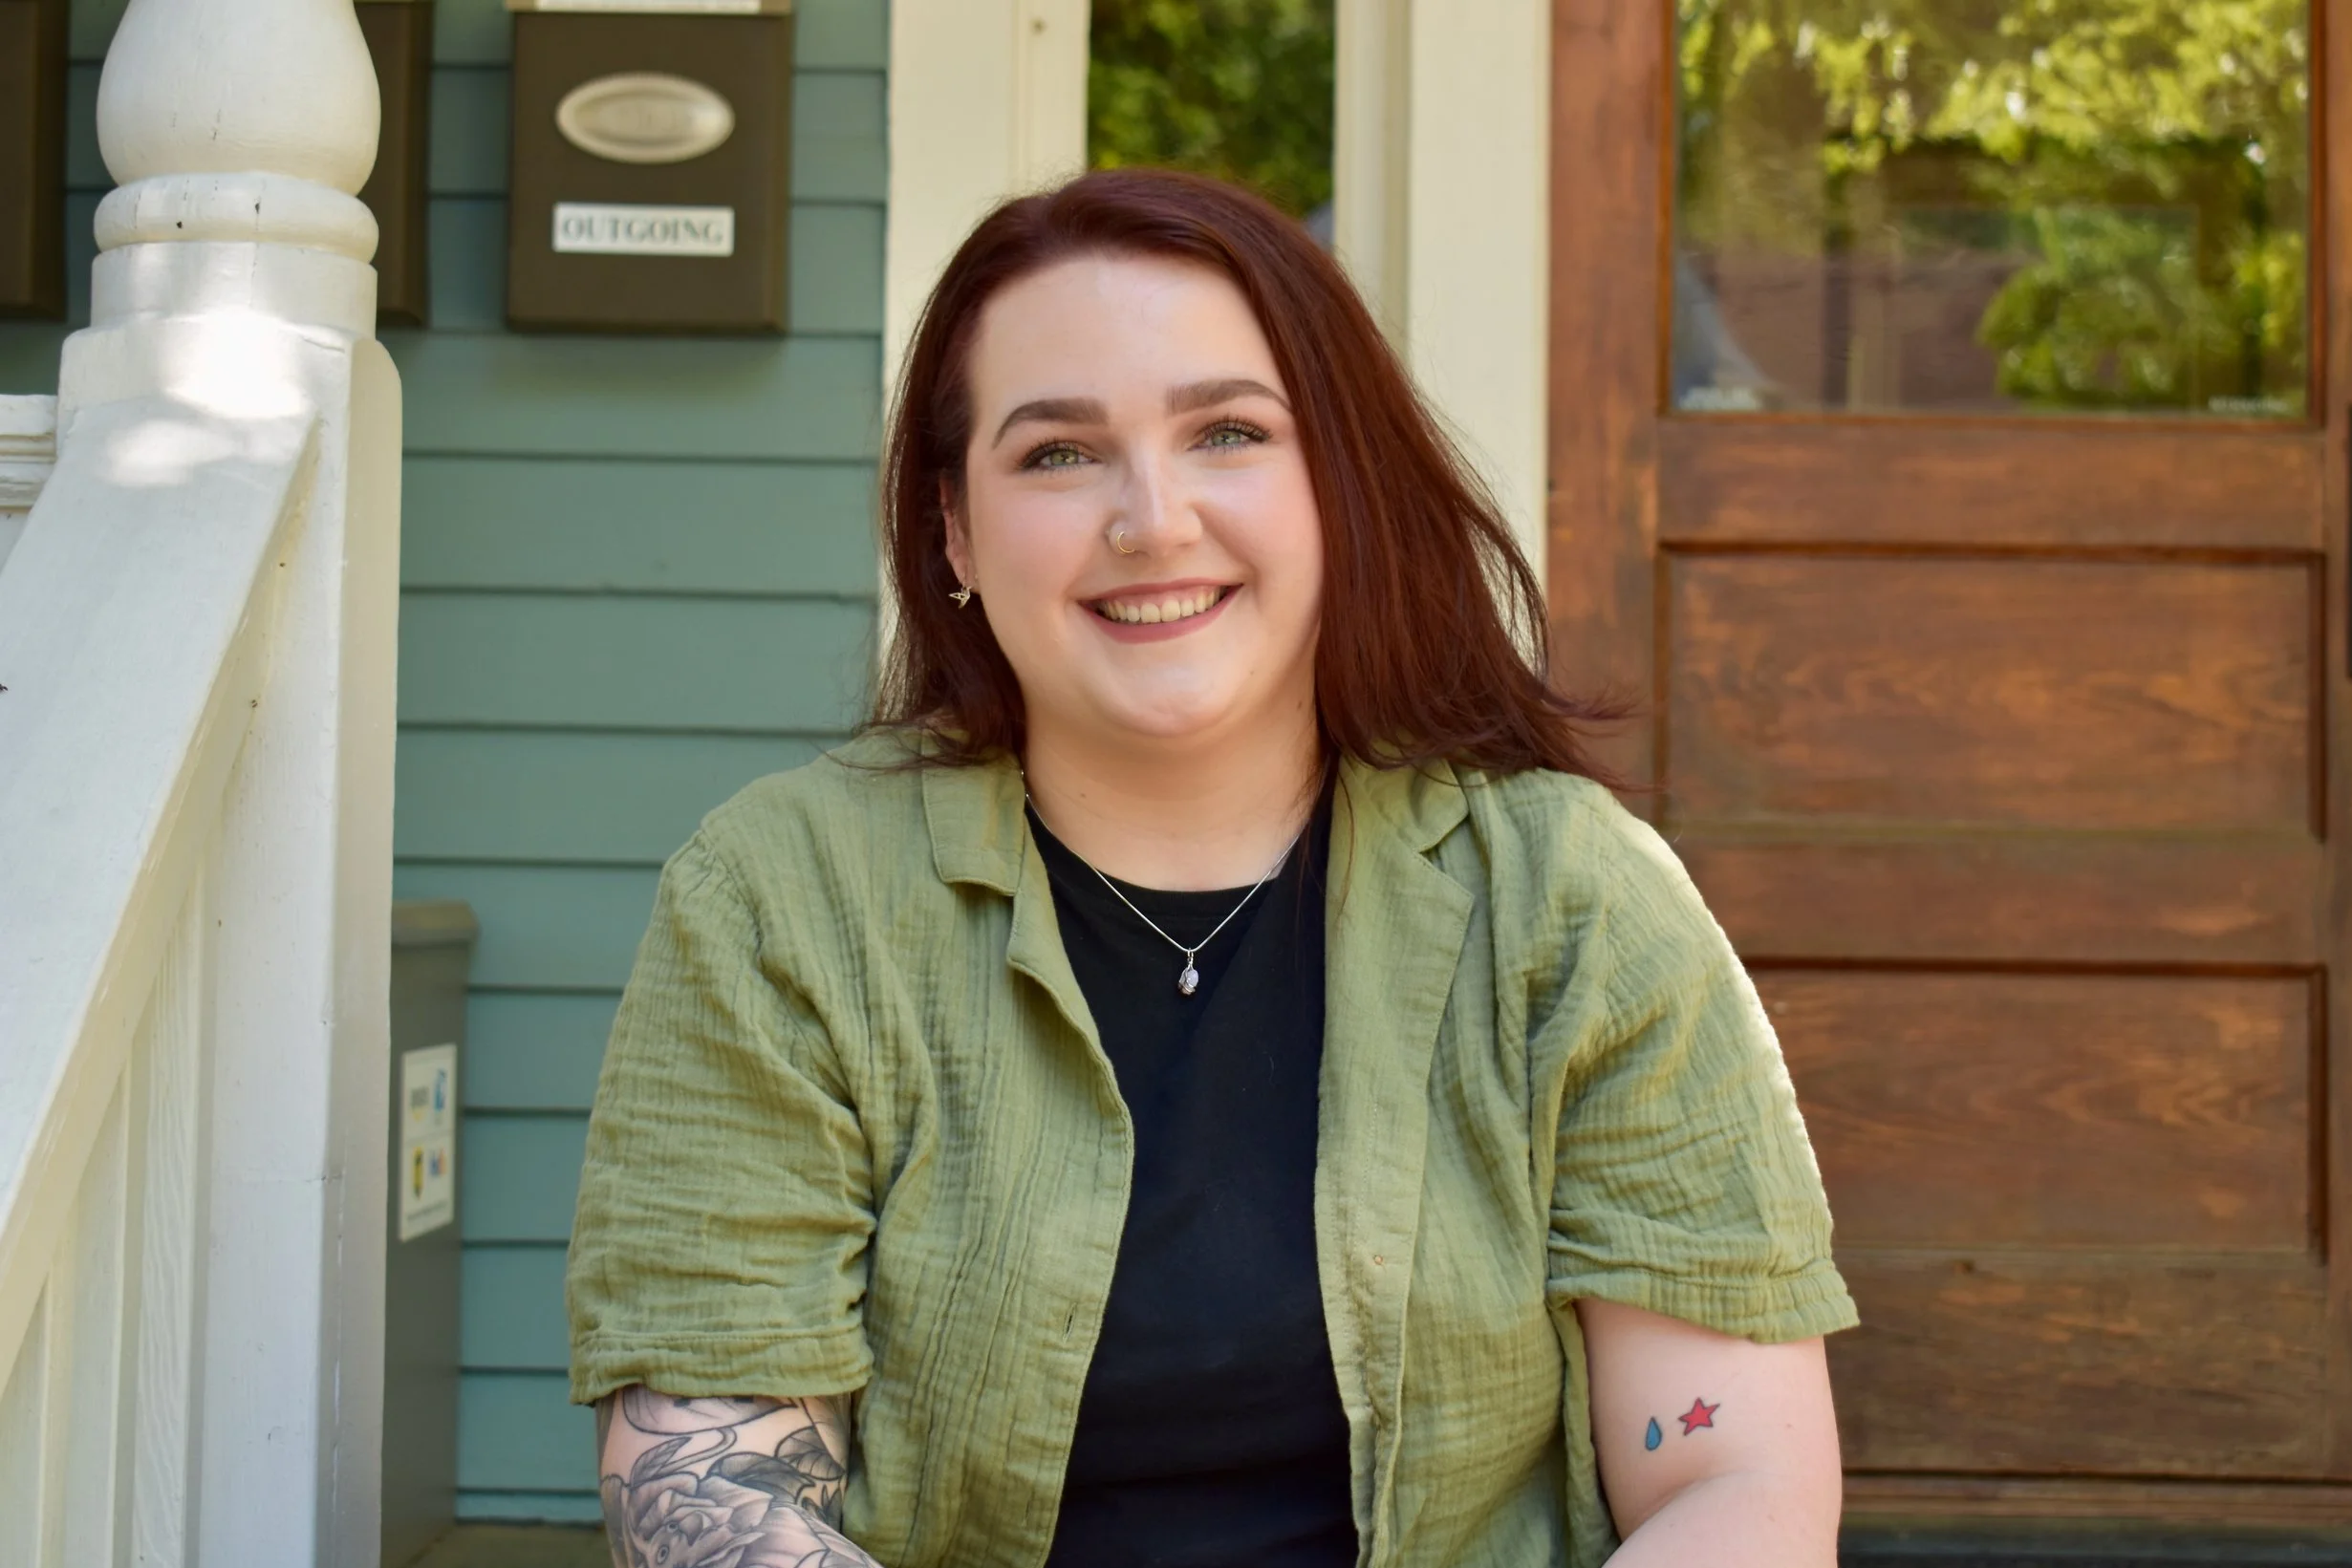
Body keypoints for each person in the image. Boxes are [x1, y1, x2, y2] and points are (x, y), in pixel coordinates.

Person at [567, 167, 1856, 1568]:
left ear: (1339, 485)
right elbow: (710, 1498)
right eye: (1059, 453)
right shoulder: (786, 897)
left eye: (1228, 432)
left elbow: (1736, 1483)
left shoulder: (1572, 901)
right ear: (954, 531)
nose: (1152, 519)